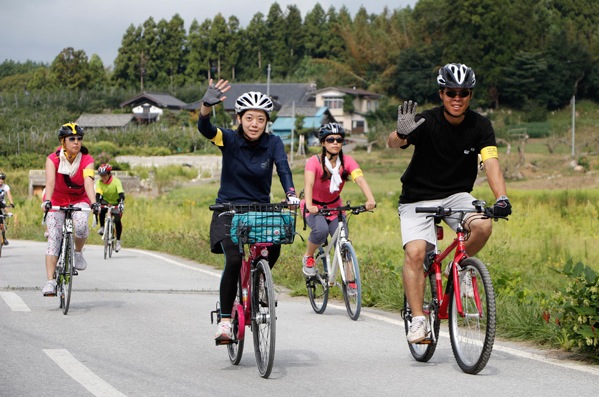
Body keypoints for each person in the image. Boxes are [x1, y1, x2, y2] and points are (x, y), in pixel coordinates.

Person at [387, 63, 512, 343]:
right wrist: (401, 134)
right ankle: (419, 321)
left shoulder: (481, 125)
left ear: (470, 95)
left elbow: (491, 163)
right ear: (441, 93)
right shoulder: (426, 121)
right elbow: (393, 144)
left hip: (456, 195)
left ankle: (459, 267)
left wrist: (502, 197)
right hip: (416, 197)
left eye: (464, 92)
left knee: (482, 225)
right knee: (417, 253)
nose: (457, 98)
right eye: (451, 92)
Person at [198, 79, 300, 342]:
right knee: (233, 259)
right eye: (249, 118)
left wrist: (290, 194)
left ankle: (259, 283)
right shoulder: (229, 138)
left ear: (267, 122)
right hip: (227, 210)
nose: (255, 124)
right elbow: (206, 128)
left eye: (261, 119)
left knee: (274, 243)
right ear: (240, 118)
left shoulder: (273, 142)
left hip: (259, 210)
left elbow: (283, 168)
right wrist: (206, 106)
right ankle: (224, 319)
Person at [301, 123, 376, 277]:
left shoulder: (347, 161)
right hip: (314, 206)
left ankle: (351, 282)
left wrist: (370, 199)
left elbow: (360, 179)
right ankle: (308, 257)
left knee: (342, 239)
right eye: (330, 139)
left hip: (335, 207)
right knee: (321, 231)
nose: (335, 143)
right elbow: (308, 184)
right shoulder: (313, 161)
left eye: (339, 139)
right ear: (323, 142)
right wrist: (309, 205)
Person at [41, 123, 98, 297]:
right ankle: (50, 282)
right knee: (54, 239)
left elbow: (89, 182)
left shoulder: (87, 160)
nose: (76, 142)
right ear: (62, 141)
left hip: (79, 199)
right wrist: (48, 201)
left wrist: (94, 202)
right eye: (71, 139)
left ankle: (78, 252)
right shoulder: (53, 159)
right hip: (56, 199)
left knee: (81, 226)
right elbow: (50, 182)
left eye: (79, 139)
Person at [95, 163, 125, 252]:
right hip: (106, 201)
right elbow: (98, 194)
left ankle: (118, 241)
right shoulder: (99, 182)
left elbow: (121, 194)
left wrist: (121, 202)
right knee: (101, 209)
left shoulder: (116, 181)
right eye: (101, 176)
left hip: (116, 201)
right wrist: (96, 203)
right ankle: (102, 227)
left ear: (109, 174)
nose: (103, 178)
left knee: (117, 220)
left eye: (104, 175)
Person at [0, 172, 15, 245]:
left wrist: (11, 203)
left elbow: (9, 195)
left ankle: (3, 236)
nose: (1, 180)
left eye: (2, 178)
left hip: (3, 205)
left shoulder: (5, 186)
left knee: (4, 219)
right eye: (0, 178)